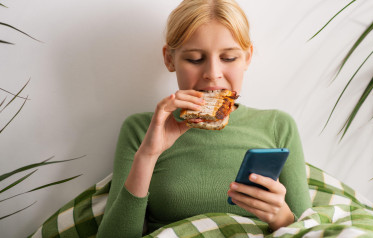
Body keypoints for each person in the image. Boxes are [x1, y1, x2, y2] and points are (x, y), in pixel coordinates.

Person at [97, 0, 312, 237]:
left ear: (247, 58)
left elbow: (310, 229)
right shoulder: (141, 129)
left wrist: (280, 216)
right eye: (195, 59)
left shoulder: (278, 125)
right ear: (170, 59)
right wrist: (148, 155)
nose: (213, 74)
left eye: (229, 58)